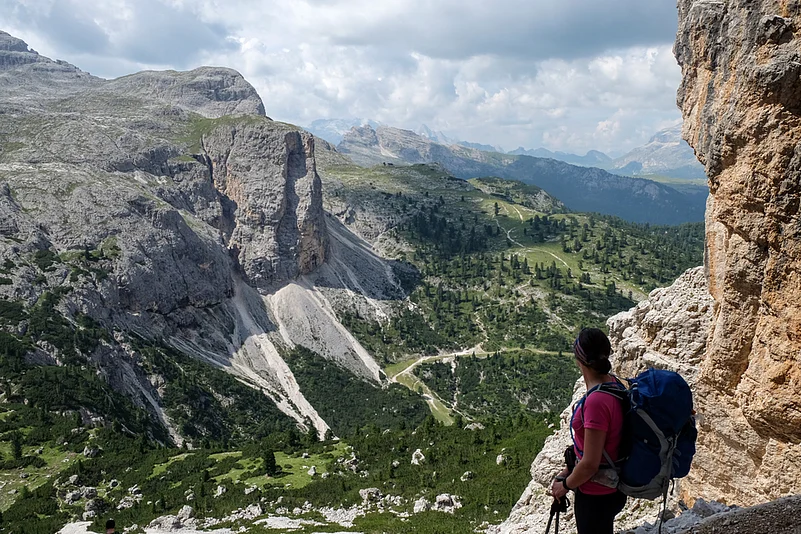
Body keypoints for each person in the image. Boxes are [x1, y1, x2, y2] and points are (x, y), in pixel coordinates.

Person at [549, 328, 627, 534]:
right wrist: (569, 470)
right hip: (611, 485)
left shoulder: (596, 402)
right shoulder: (613, 383)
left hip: (596, 494)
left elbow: (591, 464)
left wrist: (564, 485)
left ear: (579, 359)